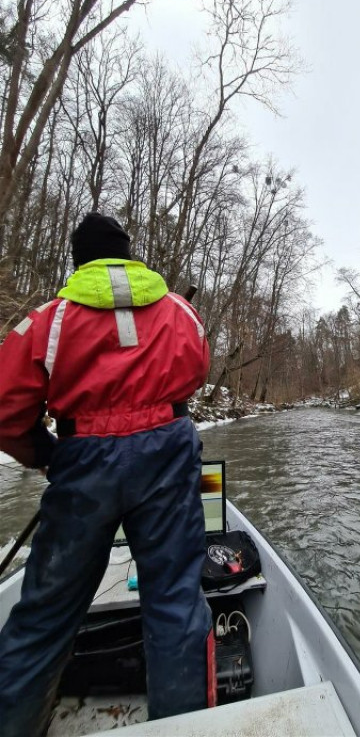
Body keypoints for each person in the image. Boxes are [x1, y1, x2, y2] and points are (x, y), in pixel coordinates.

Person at [0, 213, 214, 737]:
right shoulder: (179, 312)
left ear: (78, 260)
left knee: (46, 611)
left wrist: (44, 452)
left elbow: (6, 411)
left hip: (83, 463)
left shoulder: (46, 322)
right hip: (166, 453)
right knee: (174, 600)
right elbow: (197, 369)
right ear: (128, 254)